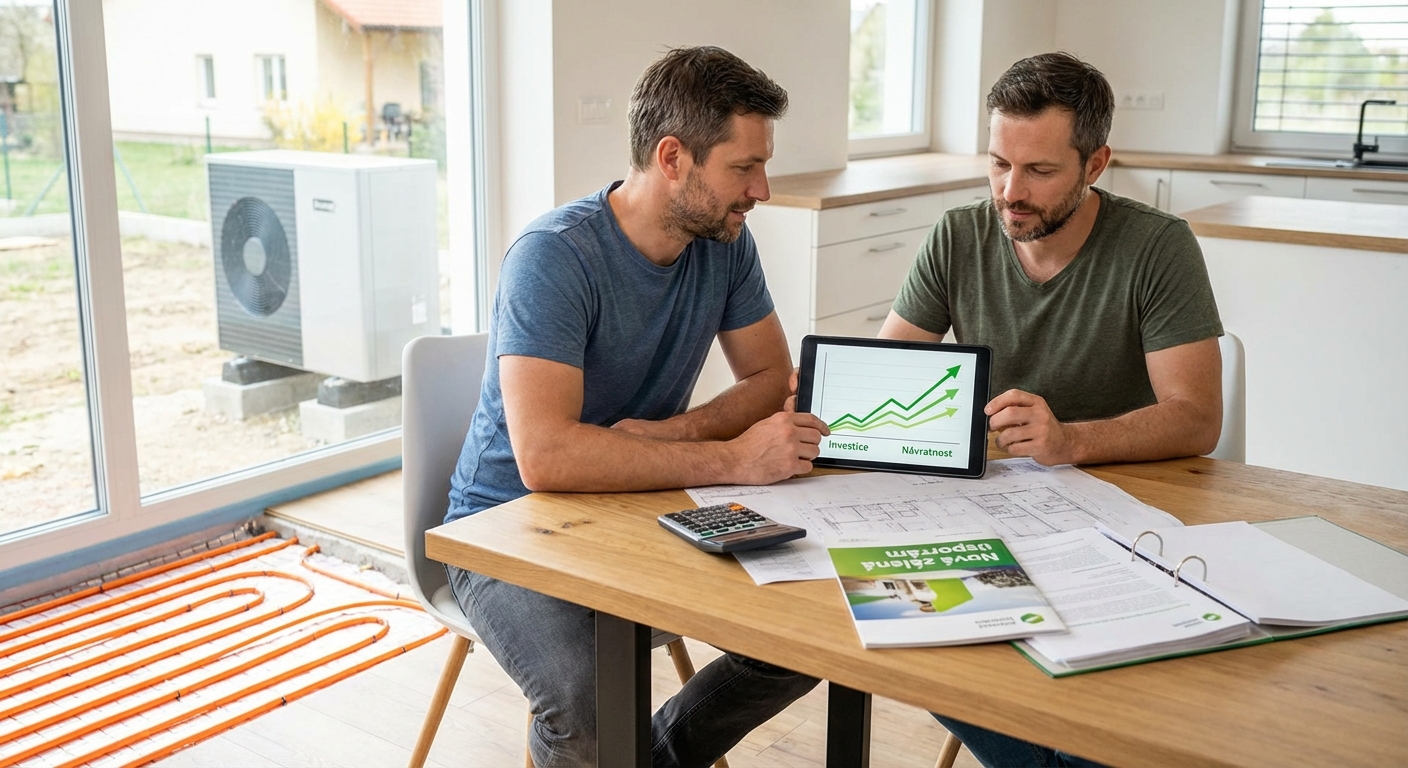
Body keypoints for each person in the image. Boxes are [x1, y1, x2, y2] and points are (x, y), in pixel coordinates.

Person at [442, 46, 829, 767]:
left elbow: (771, 380)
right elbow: (548, 457)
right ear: (674, 156)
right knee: (585, 707)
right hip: (507, 527)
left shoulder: (725, 243)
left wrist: (673, 433)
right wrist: (729, 458)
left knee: (804, 642)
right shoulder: (553, 256)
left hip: (646, 500)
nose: (763, 189)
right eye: (744, 167)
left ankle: (648, 760)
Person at [880, 52, 1224, 767]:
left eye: (1040, 171)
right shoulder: (958, 235)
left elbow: (1197, 418)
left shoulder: (1158, 247)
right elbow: (893, 373)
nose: (1011, 192)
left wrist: (1069, 440)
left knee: (1093, 697)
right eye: (999, 163)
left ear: (1095, 163)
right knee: (903, 619)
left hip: (1126, 521)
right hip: (994, 515)